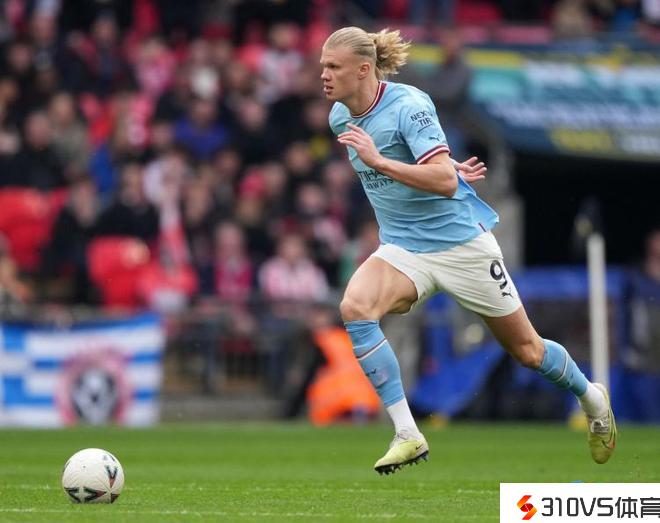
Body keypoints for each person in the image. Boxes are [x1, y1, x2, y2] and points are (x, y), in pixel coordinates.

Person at [320, 26, 616, 475]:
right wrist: (427, 164)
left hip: (461, 246)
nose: (323, 75)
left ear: (364, 69)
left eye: (333, 66)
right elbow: (429, 169)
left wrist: (387, 161)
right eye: (323, 66)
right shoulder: (340, 116)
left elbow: (442, 182)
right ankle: (406, 433)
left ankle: (592, 398)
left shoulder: (410, 105)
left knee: (528, 351)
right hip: (403, 247)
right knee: (356, 307)